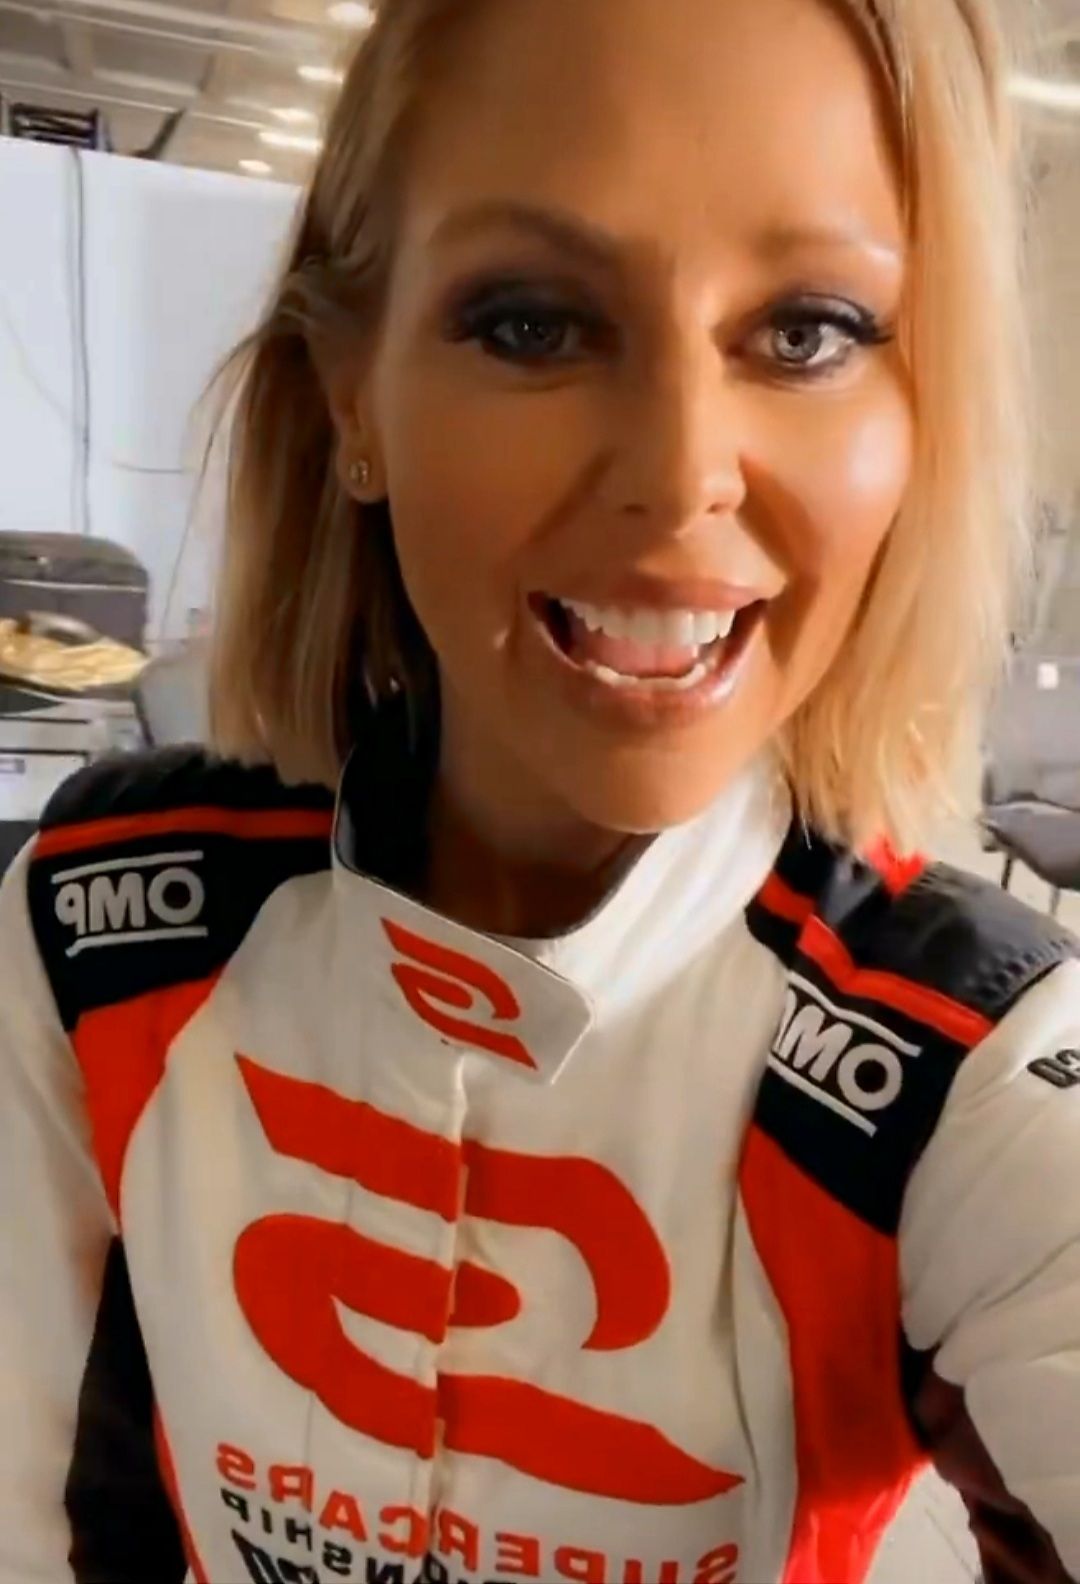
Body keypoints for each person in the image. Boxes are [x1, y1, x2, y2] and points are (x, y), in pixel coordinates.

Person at [1, 0, 1078, 1581]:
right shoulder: (99, 931)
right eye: (532, 324)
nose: (682, 474)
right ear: (353, 396)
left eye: (809, 331)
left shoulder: (971, 1072)